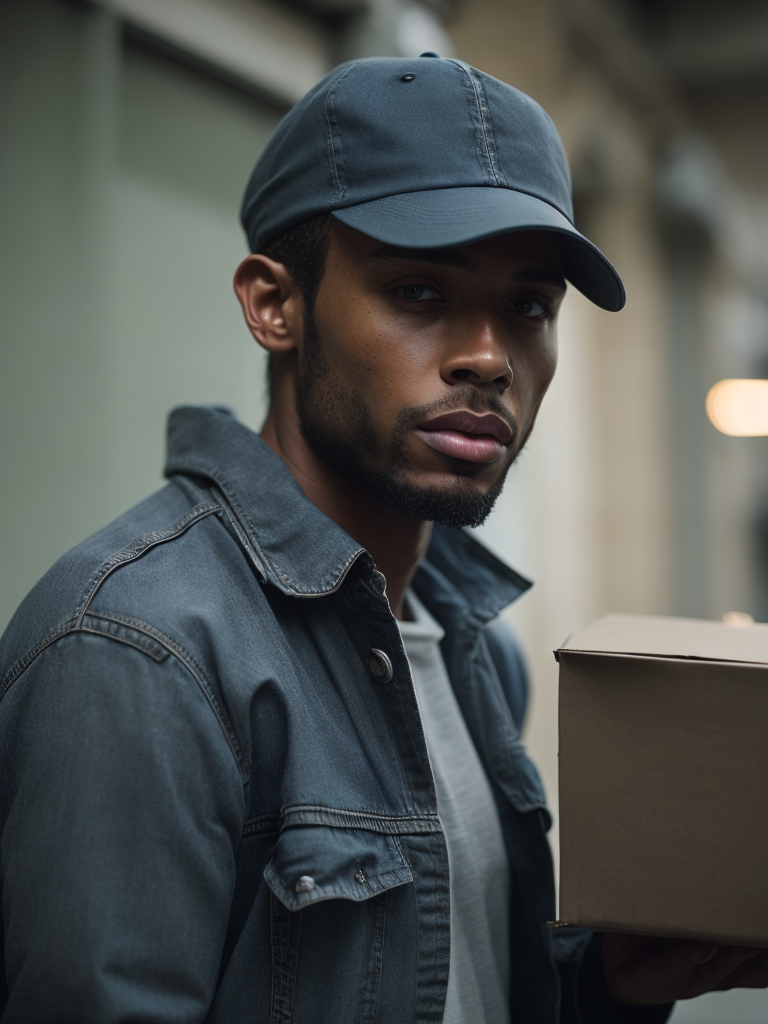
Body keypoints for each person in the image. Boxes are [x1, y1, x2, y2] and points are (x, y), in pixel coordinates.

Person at [1, 53, 766, 1024]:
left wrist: (603, 985)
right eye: (418, 291)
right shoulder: (138, 654)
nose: (489, 356)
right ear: (274, 304)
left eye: (528, 306)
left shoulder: (474, 644)